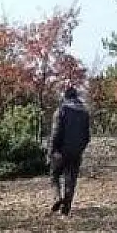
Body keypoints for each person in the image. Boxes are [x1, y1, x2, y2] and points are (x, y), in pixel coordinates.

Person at [49, 86, 91, 217]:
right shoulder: (84, 112)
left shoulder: (61, 111)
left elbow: (55, 133)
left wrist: (52, 150)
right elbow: (87, 136)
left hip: (60, 151)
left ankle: (57, 197)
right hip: (76, 152)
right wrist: (80, 149)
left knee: (54, 175)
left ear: (65, 96)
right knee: (71, 180)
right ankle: (66, 208)